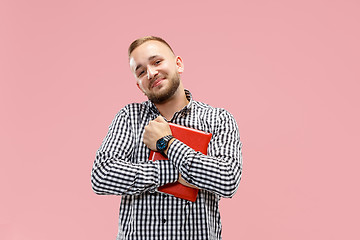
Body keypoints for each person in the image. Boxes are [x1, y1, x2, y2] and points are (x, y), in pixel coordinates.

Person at [91, 36, 243, 240]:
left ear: (178, 64)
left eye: (157, 62)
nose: (151, 73)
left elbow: (227, 179)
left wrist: (167, 144)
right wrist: (177, 172)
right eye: (141, 71)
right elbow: (101, 175)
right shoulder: (129, 117)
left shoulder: (218, 119)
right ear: (139, 86)